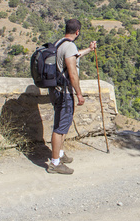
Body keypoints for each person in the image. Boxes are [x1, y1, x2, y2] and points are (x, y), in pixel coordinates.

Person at [47, 19, 97, 174]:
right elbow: (73, 73)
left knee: (63, 123)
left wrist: (89, 49)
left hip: (55, 90)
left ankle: (60, 154)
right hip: (64, 92)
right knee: (60, 128)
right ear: (77, 32)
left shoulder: (60, 43)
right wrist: (79, 94)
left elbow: (74, 55)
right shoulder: (70, 46)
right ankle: (55, 164)